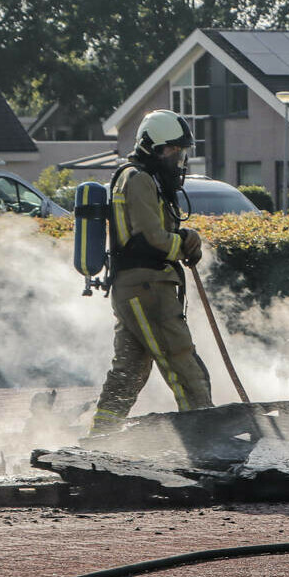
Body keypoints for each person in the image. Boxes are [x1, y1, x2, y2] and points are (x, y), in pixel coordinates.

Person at [92, 110, 211, 434]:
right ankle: (205, 434)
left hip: (132, 290)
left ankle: (100, 439)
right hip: (148, 289)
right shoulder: (140, 179)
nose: (178, 159)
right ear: (154, 148)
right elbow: (151, 239)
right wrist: (186, 241)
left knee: (128, 372)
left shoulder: (134, 177)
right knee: (181, 361)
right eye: (174, 151)